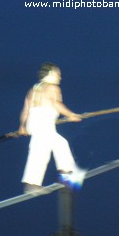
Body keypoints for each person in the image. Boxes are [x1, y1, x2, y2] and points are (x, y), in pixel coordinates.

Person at [18, 63, 83, 193]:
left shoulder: (33, 90)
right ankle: (31, 183)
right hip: (44, 122)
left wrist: (22, 126)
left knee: (60, 144)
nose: (60, 77)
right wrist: (70, 115)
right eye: (57, 74)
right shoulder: (52, 87)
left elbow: (25, 110)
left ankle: (67, 173)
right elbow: (56, 103)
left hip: (35, 122)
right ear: (50, 74)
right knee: (40, 151)